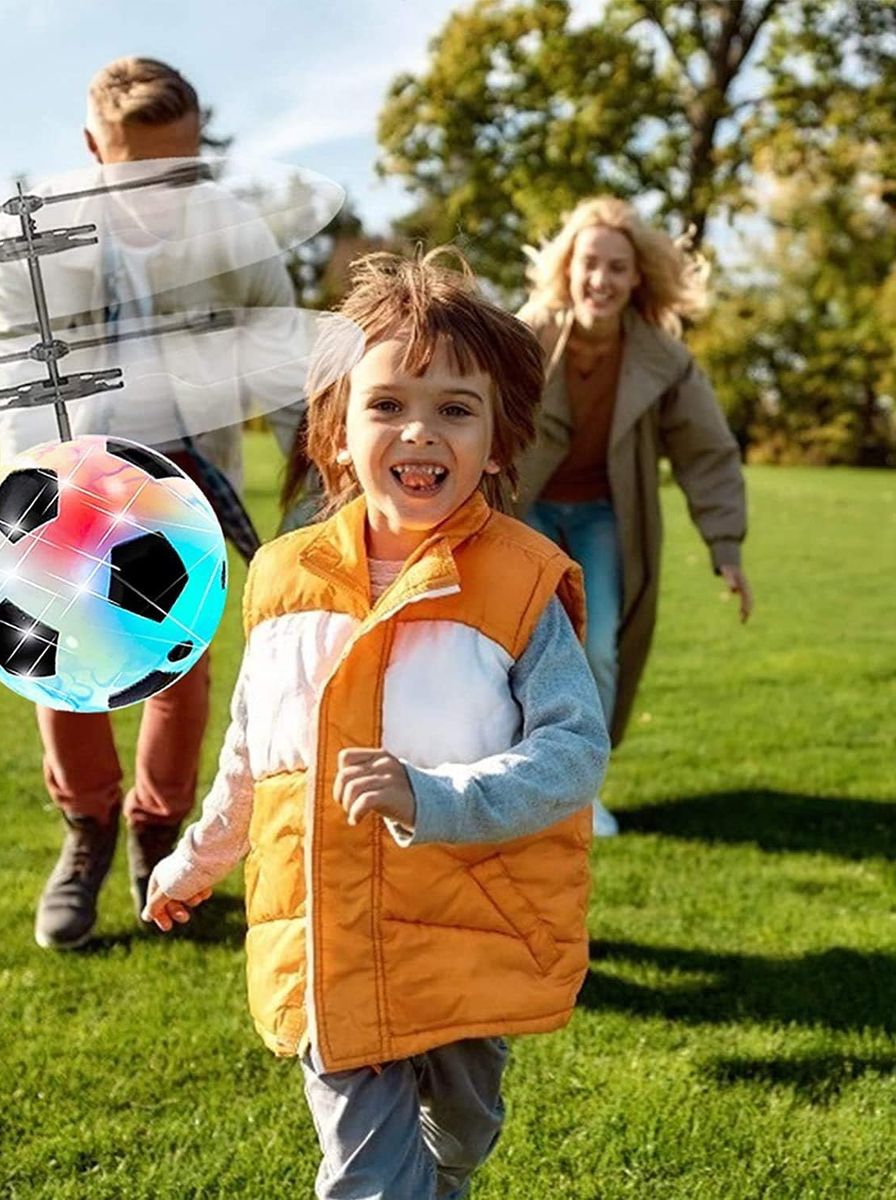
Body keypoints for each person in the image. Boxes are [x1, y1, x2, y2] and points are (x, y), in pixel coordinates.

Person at [143, 249, 610, 1199]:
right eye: (388, 403)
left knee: (460, 1137)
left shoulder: (520, 581)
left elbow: (573, 750)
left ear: (498, 437)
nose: (419, 431)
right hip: (331, 943)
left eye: (454, 408)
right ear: (339, 428)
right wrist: (195, 861)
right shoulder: (281, 578)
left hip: (469, 930)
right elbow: (255, 752)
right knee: (367, 1179)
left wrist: (436, 798)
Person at [0, 57, 302, 949]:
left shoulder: (237, 235)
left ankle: (156, 836)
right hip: (68, 471)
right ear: (92, 149)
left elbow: (288, 375)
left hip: (190, 479)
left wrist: (314, 504)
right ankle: (85, 830)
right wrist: (42, 499)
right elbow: (13, 375)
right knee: (59, 662)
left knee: (176, 668)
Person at [516, 196, 752, 837]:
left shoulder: (664, 360)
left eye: (617, 267)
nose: (601, 279)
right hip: (524, 509)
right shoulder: (525, 335)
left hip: (602, 517)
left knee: (598, 649)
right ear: (567, 267)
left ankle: (580, 792)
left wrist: (725, 546)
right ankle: (513, 775)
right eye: (590, 263)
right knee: (522, 639)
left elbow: (708, 453)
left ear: (637, 277)